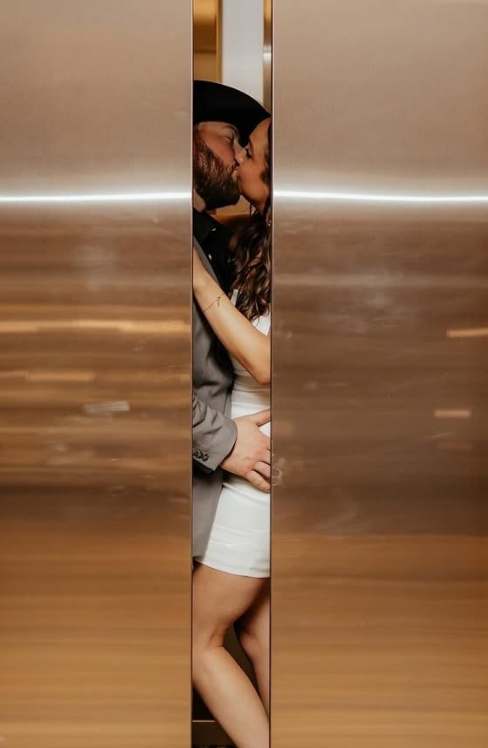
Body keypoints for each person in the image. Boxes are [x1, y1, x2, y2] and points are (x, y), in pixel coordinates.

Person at [192, 87, 273, 748]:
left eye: (249, 148)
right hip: (247, 458)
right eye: (231, 139)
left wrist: (198, 281)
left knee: (196, 640)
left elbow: (269, 362)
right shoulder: (248, 241)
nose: (239, 155)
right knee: (260, 632)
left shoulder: (222, 251)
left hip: (255, 467)